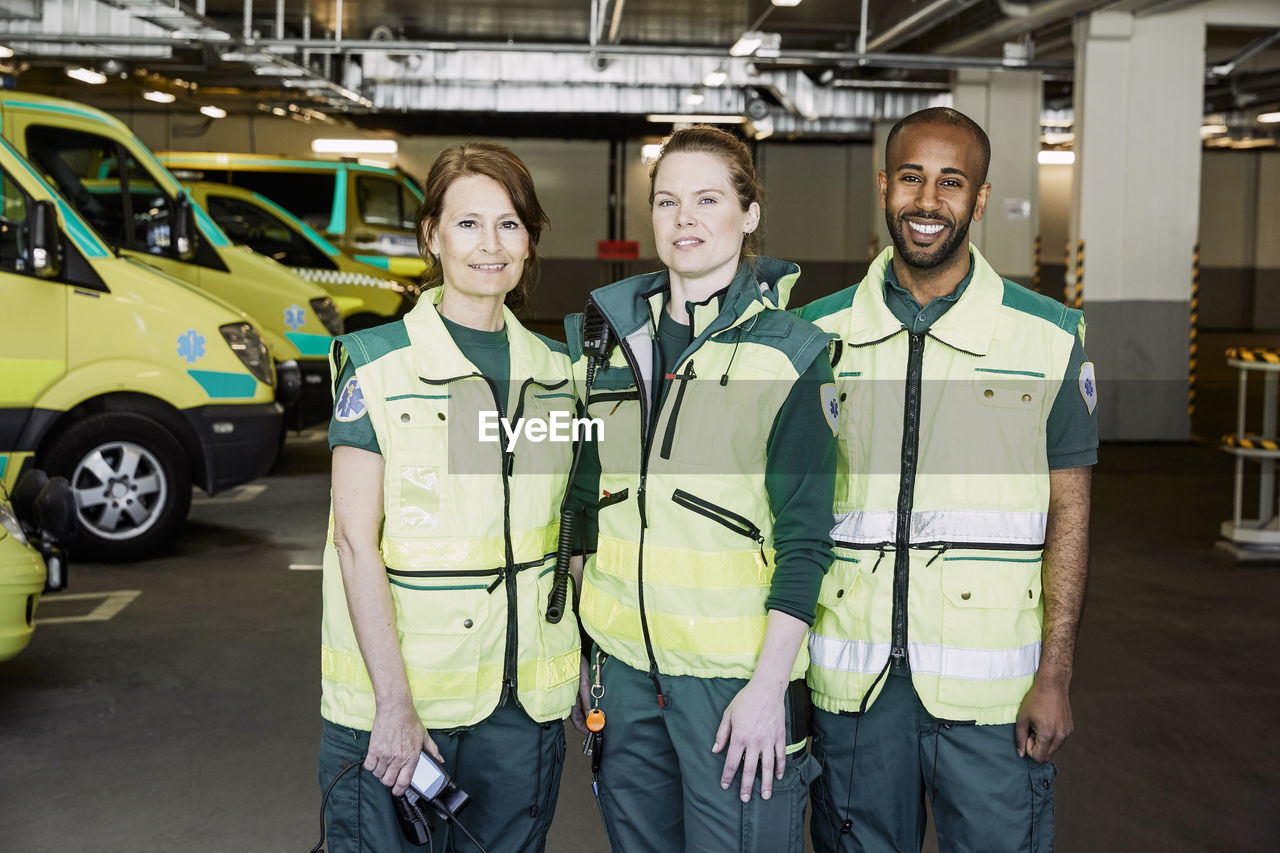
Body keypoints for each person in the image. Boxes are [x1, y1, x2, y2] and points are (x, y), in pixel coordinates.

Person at [794, 107, 1097, 853]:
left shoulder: (1048, 337)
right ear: (884, 186)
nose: (928, 201)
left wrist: (1054, 671)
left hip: (993, 697)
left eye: (951, 181)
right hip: (853, 686)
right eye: (911, 177)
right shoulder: (813, 335)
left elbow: (1070, 509)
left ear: (981, 198)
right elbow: (789, 510)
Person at [564, 125, 837, 853]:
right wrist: (593, 655)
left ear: (749, 215)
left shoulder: (792, 356)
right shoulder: (606, 345)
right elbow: (583, 508)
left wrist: (767, 690)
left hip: (732, 686)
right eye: (668, 202)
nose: (685, 220)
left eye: (708, 199)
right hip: (624, 678)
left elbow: (807, 539)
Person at [317, 142, 580, 853]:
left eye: (509, 224)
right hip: (398, 707)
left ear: (529, 240)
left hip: (518, 712)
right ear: (430, 235)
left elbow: (568, 530)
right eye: (468, 224)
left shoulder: (558, 375)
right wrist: (395, 707)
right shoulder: (376, 364)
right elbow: (353, 542)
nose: (489, 245)